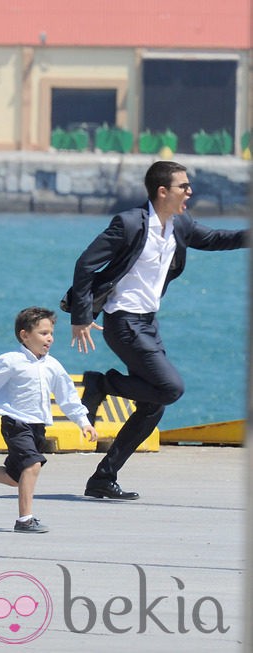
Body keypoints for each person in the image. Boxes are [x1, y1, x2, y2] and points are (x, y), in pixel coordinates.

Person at [67, 160, 249, 500]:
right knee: (170, 388)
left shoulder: (180, 224)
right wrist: (80, 316)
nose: (190, 191)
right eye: (183, 186)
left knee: (153, 406)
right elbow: (86, 264)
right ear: (162, 191)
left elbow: (216, 239)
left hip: (148, 323)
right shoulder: (130, 223)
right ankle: (100, 383)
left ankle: (102, 479)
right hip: (123, 321)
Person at [0, 307, 98, 533]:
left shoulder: (53, 366)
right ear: (24, 335)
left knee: (15, 478)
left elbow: (67, 397)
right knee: (32, 464)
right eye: (43, 333)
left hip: (38, 426)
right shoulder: (11, 361)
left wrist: (84, 422)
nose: (49, 338)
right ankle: (25, 520)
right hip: (15, 424)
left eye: (51, 333)